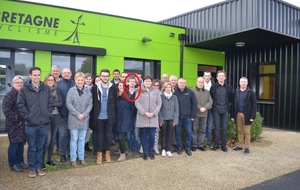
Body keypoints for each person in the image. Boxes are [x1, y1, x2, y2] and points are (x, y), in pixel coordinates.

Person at [17, 66, 52, 178]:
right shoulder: (24, 89)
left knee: (40, 146)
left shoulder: (46, 88)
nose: (37, 77)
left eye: (38, 74)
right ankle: (32, 168)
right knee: (32, 147)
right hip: (31, 124)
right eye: (35, 75)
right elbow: (20, 105)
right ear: (30, 75)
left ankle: (38, 166)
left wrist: (48, 114)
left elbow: (50, 103)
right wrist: (27, 117)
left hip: (43, 123)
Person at [90, 69, 117, 164]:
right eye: (103, 76)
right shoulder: (94, 88)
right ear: (100, 77)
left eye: (106, 76)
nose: (105, 77)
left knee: (108, 136)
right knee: (99, 136)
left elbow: (115, 102)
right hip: (98, 117)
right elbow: (92, 103)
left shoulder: (113, 88)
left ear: (109, 76)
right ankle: (99, 154)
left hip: (109, 117)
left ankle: (107, 153)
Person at [66, 72, 93, 166]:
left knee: (82, 139)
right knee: (74, 139)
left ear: (84, 80)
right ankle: (73, 159)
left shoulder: (88, 91)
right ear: (75, 80)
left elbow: (90, 104)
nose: (80, 81)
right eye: (78, 80)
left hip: (84, 119)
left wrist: (84, 114)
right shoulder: (71, 91)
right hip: (74, 119)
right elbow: (68, 104)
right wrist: (77, 114)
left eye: (82, 80)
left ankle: (81, 158)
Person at [2, 75, 27, 172]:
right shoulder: (10, 95)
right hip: (14, 124)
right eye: (17, 82)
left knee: (21, 143)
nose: (19, 84)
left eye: (21, 83)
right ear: (13, 84)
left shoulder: (22, 93)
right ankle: (13, 164)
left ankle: (20, 162)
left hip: (22, 124)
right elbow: (6, 110)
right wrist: (17, 119)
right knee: (14, 143)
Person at [135, 76, 162, 160]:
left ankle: (150, 152)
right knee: (143, 136)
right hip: (143, 117)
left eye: (149, 81)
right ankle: (145, 153)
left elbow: (159, 103)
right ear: (144, 82)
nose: (147, 82)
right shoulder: (139, 91)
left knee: (152, 136)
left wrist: (154, 113)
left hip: (153, 117)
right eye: (146, 81)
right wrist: (144, 113)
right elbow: (137, 102)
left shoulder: (156, 91)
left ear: (151, 82)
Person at [231, 77, 257, 155]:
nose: (243, 83)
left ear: (247, 83)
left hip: (247, 115)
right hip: (238, 114)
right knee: (240, 131)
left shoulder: (251, 92)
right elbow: (233, 104)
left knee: (247, 132)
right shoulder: (236, 91)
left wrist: (252, 116)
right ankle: (240, 145)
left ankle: (247, 147)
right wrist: (232, 115)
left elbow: (254, 105)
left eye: (244, 82)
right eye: (242, 81)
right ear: (239, 83)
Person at [210, 70, 233, 152]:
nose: (221, 77)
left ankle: (223, 145)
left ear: (225, 77)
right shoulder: (213, 87)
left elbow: (231, 98)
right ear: (216, 77)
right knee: (216, 128)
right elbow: (211, 97)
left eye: (222, 76)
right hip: (216, 111)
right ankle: (216, 145)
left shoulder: (229, 87)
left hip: (225, 111)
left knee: (224, 129)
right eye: (219, 76)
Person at [43, 74, 63, 167]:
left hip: (56, 116)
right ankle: (41, 161)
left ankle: (49, 159)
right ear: (45, 81)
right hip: (46, 117)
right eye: (49, 80)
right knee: (47, 139)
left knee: (53, 139)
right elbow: (42, 104)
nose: (50, 81)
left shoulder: (57, 90)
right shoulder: (42, 90)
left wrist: (51, 104)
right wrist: (54, 104)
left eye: (52, 80)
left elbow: (61, 103)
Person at [174, 78, 197, 156]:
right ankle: (179, 148)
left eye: (183, 83)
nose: (182, 84)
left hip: (188, 117)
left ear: (185, 84)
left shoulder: (190, 92)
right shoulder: (174, 92)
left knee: (189, 133)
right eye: (180, 83)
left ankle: (188, 148)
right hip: (178, 117)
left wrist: (193, 115)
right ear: (178, 83)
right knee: (177, 133)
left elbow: (194, 104)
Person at [57, 68, 75, 163]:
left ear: (71, 74)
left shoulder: (75, 83)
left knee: (72, 135)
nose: (67, 74)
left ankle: (71, 153)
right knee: (63, 135)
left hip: (73, 115)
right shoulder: (58, 84)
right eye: (65, 73)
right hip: (62, 114)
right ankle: (62, 154)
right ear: (61, 74)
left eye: (68, 72)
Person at [115, 82, 136, 161]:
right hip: (117, 120)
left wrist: (129, 118)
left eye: (122, 85)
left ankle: (123, 154)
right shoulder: (115, 96)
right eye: (119, 85)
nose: (121, 87)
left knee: (120, 138)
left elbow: (133, 109)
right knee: (117, 137)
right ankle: (122, 150)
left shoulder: (129, 96)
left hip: (126, 120)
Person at [191, 77, 213, 151]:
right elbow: (192, 101)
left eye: (202, 82)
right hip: (195, 114)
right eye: (199, 82)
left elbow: (210, 101)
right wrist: (199, 107)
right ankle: (194, 145)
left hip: (204, 114)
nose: (201, 84)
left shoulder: (207, 91)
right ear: (196, 82)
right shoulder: (192, 91)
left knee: (202, 130)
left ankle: (200, 145)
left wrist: (205, 108)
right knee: (194, 130)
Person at [158, 82, 179, 157]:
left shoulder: (174, 97)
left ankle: (168, 149)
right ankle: (163, 149)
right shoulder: (161, 97)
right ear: (164, 88)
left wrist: (175, 120)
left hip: (171, 119)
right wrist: (160, 119)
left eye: (169, 87)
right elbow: (159, 109)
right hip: (163, 119)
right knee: (163, 135)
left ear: (171, 88)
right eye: (166, 87)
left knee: (170, 135)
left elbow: (176, 109)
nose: (168, 89)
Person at [126, 76, 139, 157]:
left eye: (133, 81)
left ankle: (136, 150)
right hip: (127, 117)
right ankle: (130, 149)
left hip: (136, 116)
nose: (132, 83)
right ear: (128, 82)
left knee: (136, 134)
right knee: (128, 134)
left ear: (135, 83)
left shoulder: (138, 92)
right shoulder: (124, 91)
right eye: (130, 81)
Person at [51, 65, 61, 155]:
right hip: (50, 112)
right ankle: (50, 149)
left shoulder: (61, 82)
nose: (55, 72)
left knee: (59, 131)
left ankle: (58, 147)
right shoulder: (48, 82)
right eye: (53, 71)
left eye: (57, 71)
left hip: (60, 110)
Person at [203, 72, 214, 149]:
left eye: (208, 76)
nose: (207, 77)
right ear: (203, 77)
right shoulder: (199, 85)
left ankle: (209, 142)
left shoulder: (214, 86)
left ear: (210, 77)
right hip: (202, 109)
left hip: (211, 109)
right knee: (202, 126)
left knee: (209, 126)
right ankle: (202, 142)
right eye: (205, 76)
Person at [152, 79, 163, 154]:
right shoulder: (147, 92)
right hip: (149, 114)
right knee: (148, 132)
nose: (156, 87)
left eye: (157, 85)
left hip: (158, 115)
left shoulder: (161, 94)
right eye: (154, 85)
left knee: (156, 132)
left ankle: (155, 146)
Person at [84, 73, 93, 152]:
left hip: (92, 111)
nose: (88, 80)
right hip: (84, 111)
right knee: (84, 128)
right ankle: (82, 144)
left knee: (89, 129)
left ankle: (86, 144)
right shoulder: (82, 88)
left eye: (90, 79)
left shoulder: (93, 88)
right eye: (87, 79)